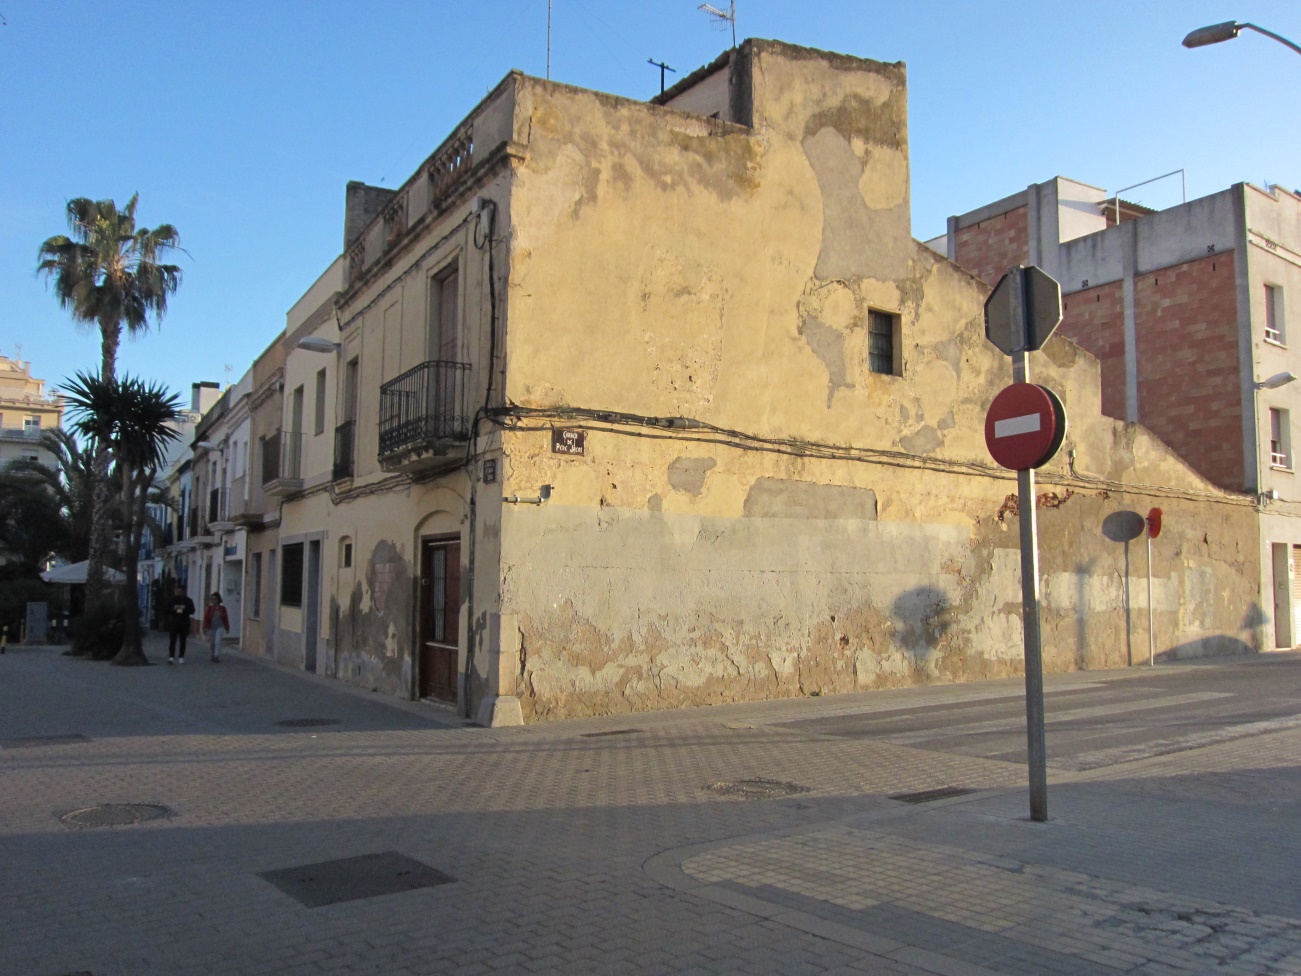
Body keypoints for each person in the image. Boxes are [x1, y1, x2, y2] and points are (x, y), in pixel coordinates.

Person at [167, 583, 195, 664]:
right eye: (177, 591)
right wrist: (174, 608)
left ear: (183, 592)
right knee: (172, 640)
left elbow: (192, 610)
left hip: (184, 623)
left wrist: (185, 608)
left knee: (183, 641)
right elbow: (167, 609)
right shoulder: (172, 600)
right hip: (174, 623)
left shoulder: (188, 600)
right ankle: (171, 656)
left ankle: (181, 656)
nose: (178, 593)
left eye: (180, 592)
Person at [202, 592, 230, 663]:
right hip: (211, 627)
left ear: (218, 599)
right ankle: (213, 653)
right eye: (212, 599)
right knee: (212, 643)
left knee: (217, 642)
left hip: (220, 627)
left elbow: (225, 618)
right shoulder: (210, 608)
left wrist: (227, 627)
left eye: (215, 599)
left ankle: (216, 656)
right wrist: (205, 627)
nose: (214, 601)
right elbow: (206, 618)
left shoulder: (222, 609)